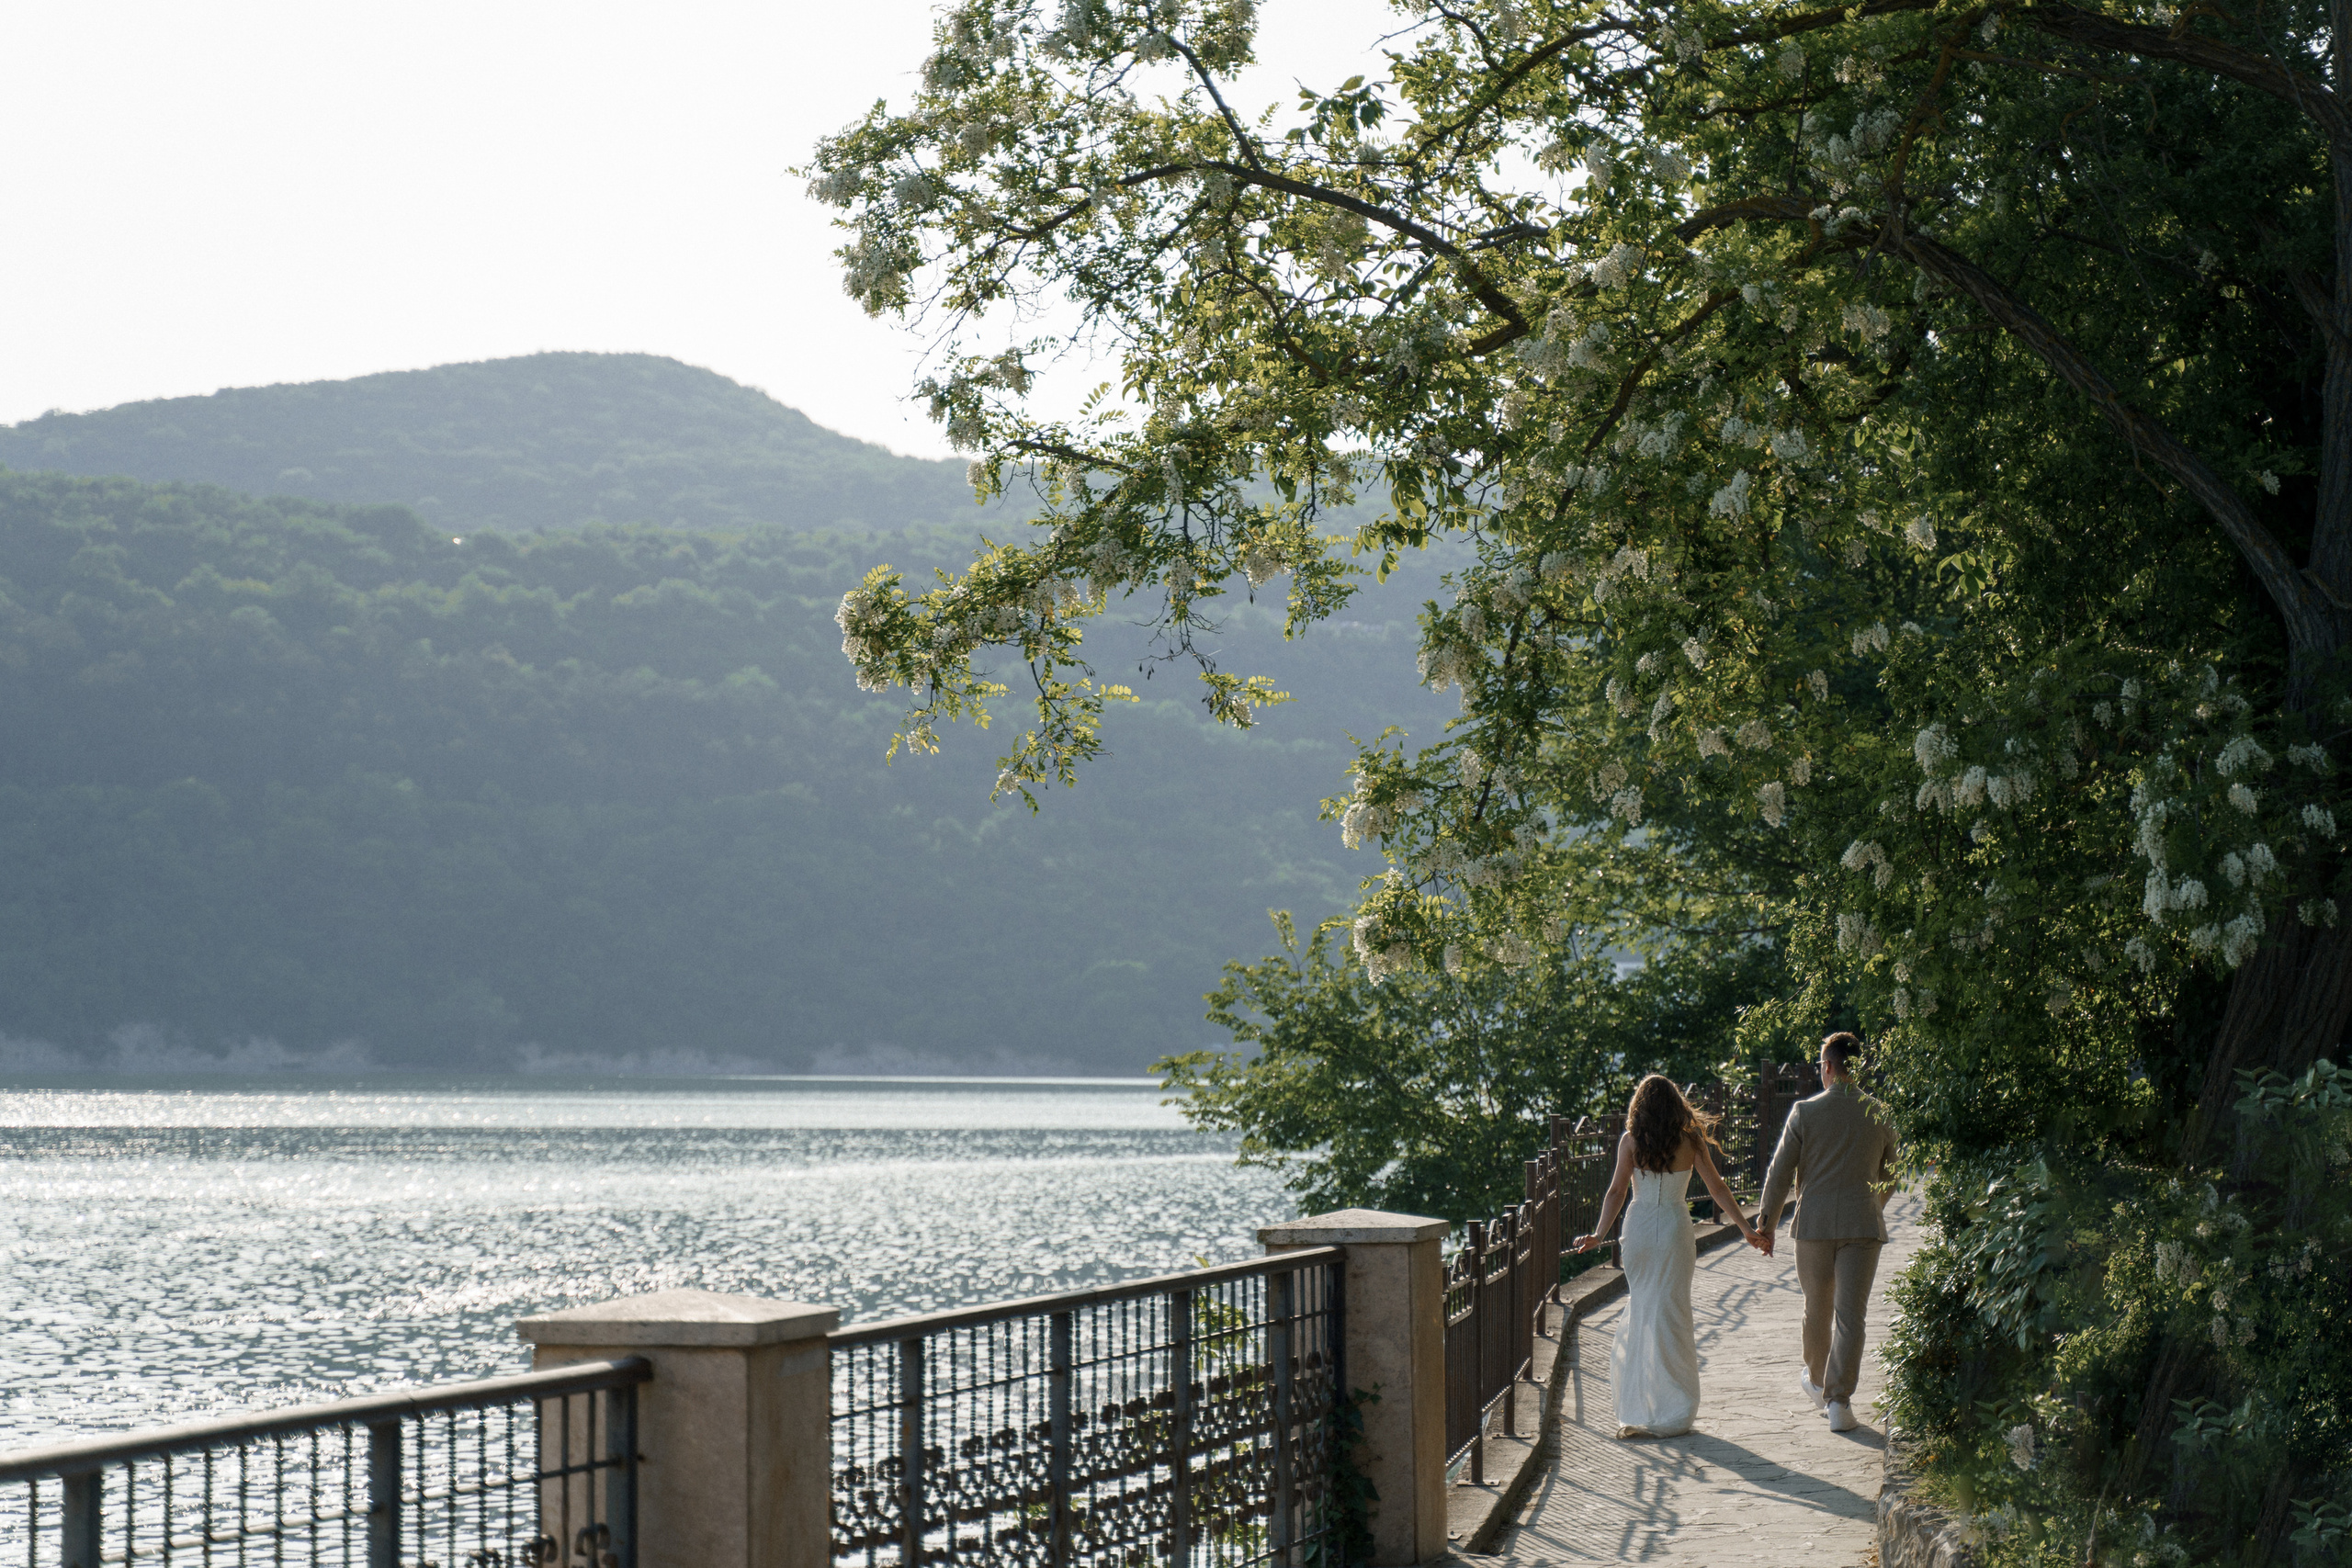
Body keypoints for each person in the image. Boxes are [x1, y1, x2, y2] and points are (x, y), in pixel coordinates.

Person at [1570, 1074, 1770, 1438]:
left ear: (1639, 1108)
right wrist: (1745, 1228)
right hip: (1676, 1227)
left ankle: (1638, 1405)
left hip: (1640, 1229)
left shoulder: (1630, 1142)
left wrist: (1599, 1234)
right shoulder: (1691, 1141)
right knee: (1673, 1313)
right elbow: (1717, 1188)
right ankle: (1673, 1406)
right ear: (1677, 1105)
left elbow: (1616, 1191)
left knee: (1644, 1308)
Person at [1758, 1031, 1899, 1434]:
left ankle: (1818, 1382)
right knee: (1851, 1316)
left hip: (1813, 1226)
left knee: (1816, 1307)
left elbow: (1781, 1171)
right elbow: (1893, 1172)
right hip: (1863, 1226)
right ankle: (1839, 1401)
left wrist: (1765, 1223)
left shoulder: (1804, 1111)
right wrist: (1874, 1203)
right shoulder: (1881, 1113)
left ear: (1829, 1067)